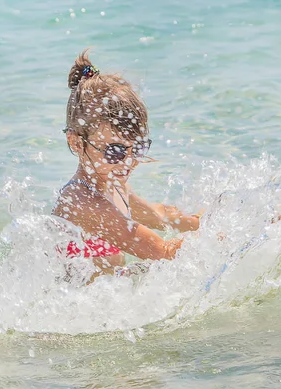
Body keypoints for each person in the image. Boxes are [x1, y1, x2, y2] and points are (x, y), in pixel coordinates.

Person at [52, 50, 201, 279]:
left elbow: (159, 215)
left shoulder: (113, 184)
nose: (129, 162)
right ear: (76, 143)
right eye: (115, 151)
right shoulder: (81, 201)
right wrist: (228, 235)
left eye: (138, 148)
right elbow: (161, 251)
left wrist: (204, 220)